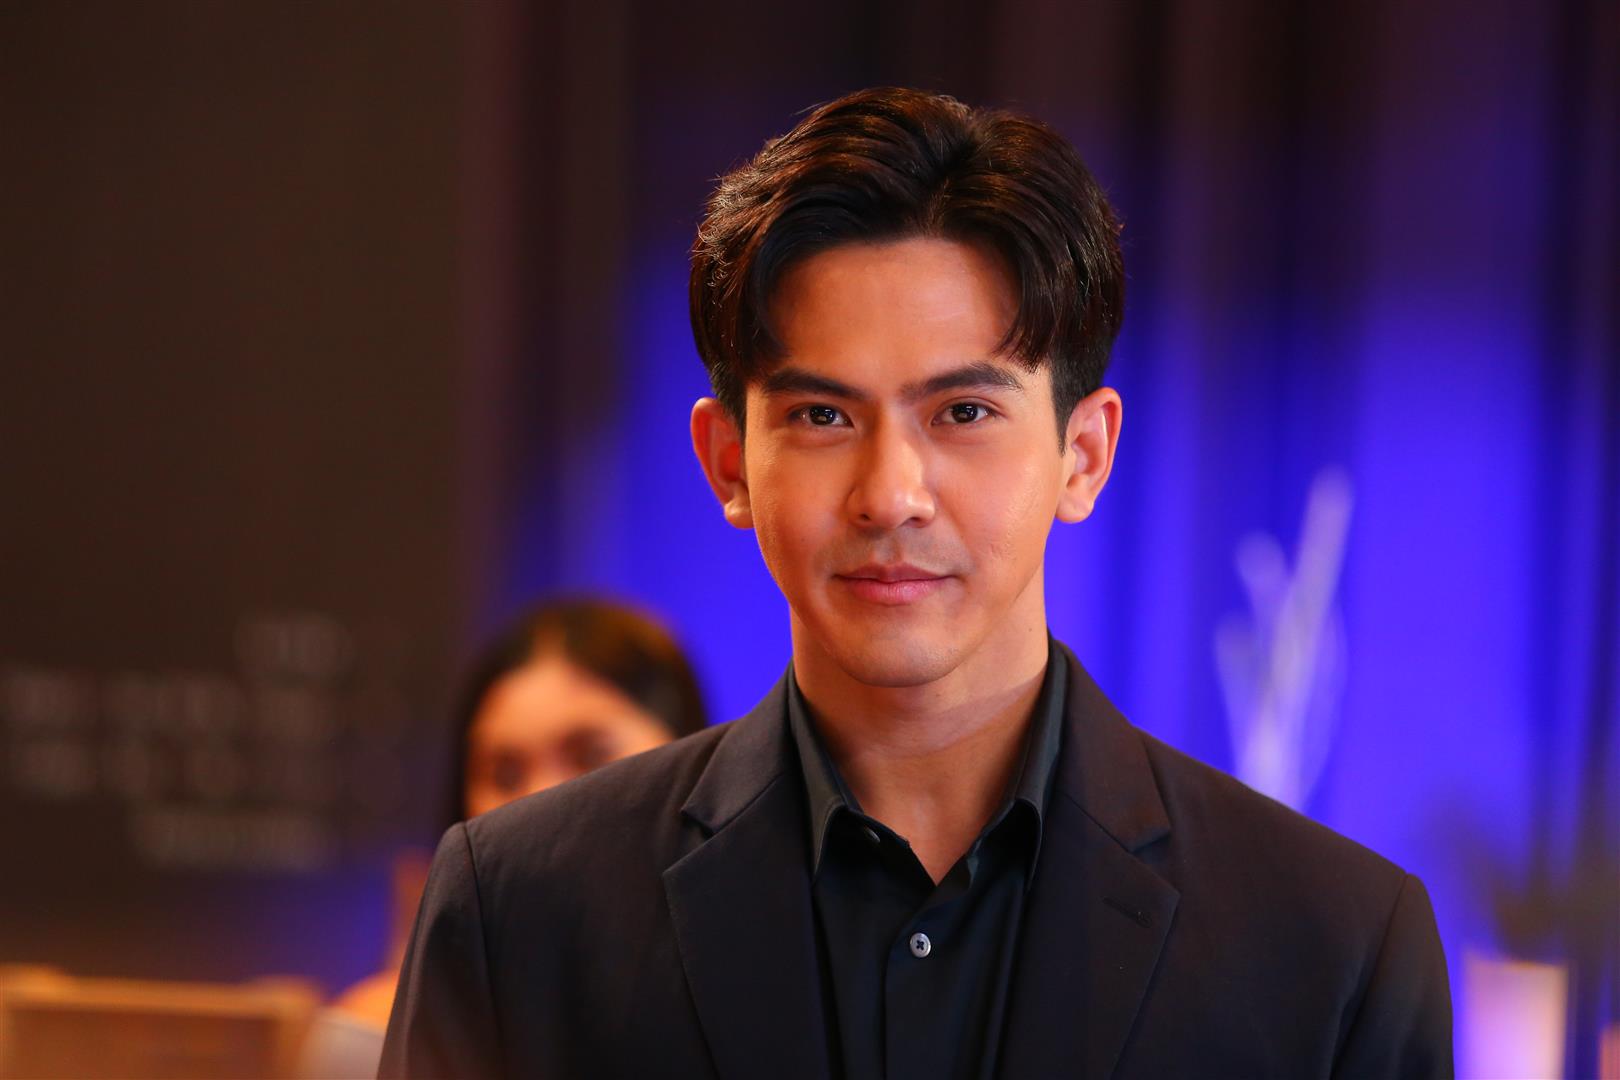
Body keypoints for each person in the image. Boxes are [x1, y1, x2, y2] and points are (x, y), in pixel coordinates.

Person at [380, 88, 1453, 1079]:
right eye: (821, 416)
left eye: (964, 413)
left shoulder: (1333, 945)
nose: (891, 495)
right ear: (729, 463)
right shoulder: (520, 913)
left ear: (1083, 454)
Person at [307, 599, 704, 1072]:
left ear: (691, 757)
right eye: (505, 774)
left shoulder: (757, 1006)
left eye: (590, 757)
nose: (541, 803)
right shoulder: (374, 1042)